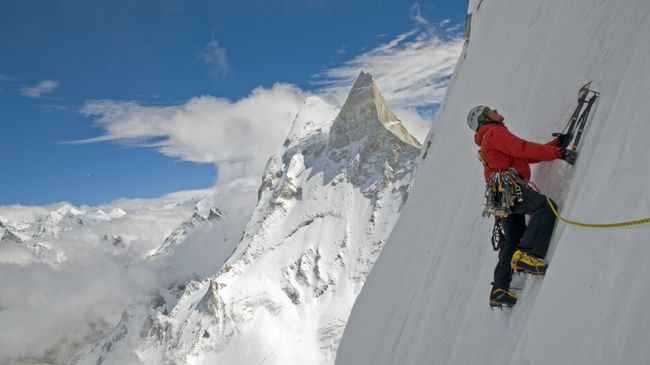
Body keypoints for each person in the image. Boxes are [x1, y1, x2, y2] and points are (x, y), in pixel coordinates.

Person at [467, 105, 576, 308]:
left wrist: (553, 145)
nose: (495, 110)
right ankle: (528, 255)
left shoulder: (488, 139)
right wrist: (558, 153)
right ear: (484, 119)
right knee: (545, 207)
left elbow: (522, 156)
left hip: (500, 196)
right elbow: (522, 148)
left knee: (513, 238)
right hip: (509, 188)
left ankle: (499, 289)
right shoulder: (493, 132)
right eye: (489, 110)